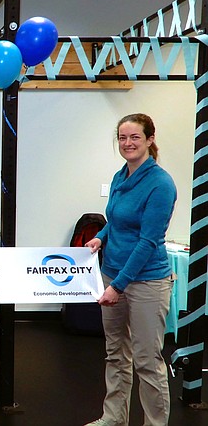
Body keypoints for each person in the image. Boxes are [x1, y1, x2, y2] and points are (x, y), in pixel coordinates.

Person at [84, 113, 176, 426]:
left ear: (150, 139)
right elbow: (117, 220)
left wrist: (118, 285)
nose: (128, 143)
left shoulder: (160, 184)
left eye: (135, 137)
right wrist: (100, 237)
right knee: (115, 354)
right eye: (123, 138)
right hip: (113, 275)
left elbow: (148, 240)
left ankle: (155, 423)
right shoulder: (121, 176)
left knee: (148, 361)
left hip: (146, 282)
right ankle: (113, 418)